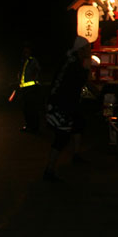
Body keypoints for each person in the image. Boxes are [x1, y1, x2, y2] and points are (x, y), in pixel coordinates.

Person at [43, 36, 92, 181]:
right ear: (81, 49)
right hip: (62, 104)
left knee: (79, 123)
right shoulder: (74, 65)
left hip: (64, 102)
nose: (90, 50)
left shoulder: (70, 61)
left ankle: (76, 154)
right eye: (88, 47)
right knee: (61, 137)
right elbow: (84, 81)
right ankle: (49, 169)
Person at [18, 43, 42, 133]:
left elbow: (37, 69)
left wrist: (34, 74)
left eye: (27, 51)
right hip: (25, 88)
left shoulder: (32, 60)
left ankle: (34, 127)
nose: (25, 53)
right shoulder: (23, 61)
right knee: (26, 109)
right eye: (24, 51)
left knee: (32, 109)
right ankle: (29, 126)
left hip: (32, 88)